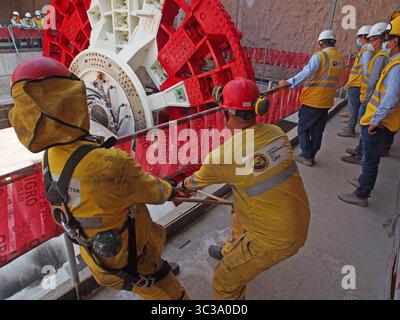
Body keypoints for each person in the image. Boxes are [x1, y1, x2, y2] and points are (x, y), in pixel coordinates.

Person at [8, 57, 189, 300]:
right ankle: (158, 280)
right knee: (174, 298)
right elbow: (155, 192)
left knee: (151, 251)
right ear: (72, 102)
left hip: (97, 258)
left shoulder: (50, 158)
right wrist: (173, 189)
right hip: (132, 261)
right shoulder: (109, 163)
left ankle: (154, 276)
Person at [178, 77, 311, 300]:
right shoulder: (276, 133)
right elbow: (251, 172)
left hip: (275, 238)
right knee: (238, 202)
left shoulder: (223, 157)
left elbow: (191, 184)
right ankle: (232, 250)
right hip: (298, 219)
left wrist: (176, 188)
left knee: (225, 279)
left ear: (226, 113)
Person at [338, 17, 400, 207]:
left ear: (395, 40)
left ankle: (361, 194)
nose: (384, 42)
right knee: (370, 158)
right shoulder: (392, 61)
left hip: (379, 122)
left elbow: (391, 97)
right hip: (380, 119)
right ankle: (363, 183)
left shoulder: (396, 66)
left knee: (370, 160)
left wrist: (375, 120)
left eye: (387, 38)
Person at [279, 30, 344, 167]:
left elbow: (307, 72)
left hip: (313, 100)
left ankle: (307, 155)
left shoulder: (320, 57)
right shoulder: (338, 58)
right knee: (317, 130)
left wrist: (289, 82)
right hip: (327, 101)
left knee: (302, 128)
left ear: (321, 43)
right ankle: (311, 153)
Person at [341, 22, 390, 166]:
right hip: (366, 95)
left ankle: (361, 154)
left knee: (364, 127)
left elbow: (371, 77)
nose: (371, 42)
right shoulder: (375, 54)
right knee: (363, 125)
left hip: (368, 97)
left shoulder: (374, 54)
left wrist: (366, 98)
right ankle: (360, 150)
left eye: (372, 39)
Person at [338, 25, 373, 138]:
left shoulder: (367, 51)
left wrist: (366, 86)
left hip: (357, 84)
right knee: (354, 107)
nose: (358, 40)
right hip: (357, 84)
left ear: (363, 36)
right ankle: (350, 126)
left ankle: (350, 129)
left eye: (359, 37)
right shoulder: (366, 50)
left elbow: (367, 70)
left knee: (354, 108)